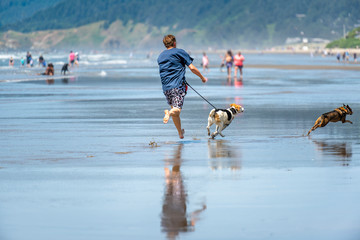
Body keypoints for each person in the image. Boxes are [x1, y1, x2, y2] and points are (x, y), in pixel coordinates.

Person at [157, 34, 207, 139]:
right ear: (174, 43)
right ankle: (168, 113)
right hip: (177, 86)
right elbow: (192, 68)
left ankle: (180, 133)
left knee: (176, 112)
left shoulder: (160, 56)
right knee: (176, 110)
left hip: (166, 88)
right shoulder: (179, 52)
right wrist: (202, 77)